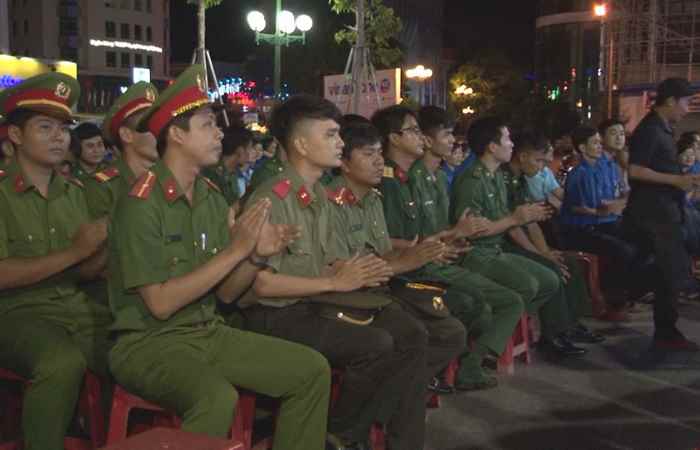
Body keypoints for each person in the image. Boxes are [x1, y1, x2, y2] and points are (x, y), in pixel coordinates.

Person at [108, 66, 331, 449]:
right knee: (215, 397)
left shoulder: (210, 197)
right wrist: (235, 251)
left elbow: (227, 295)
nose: (220, 134)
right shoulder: (141, 204)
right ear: (177, 134)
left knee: (311, 370)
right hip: (147, 343)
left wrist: (255, 257)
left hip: (206, 331)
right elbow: (160, 304)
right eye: (209, 125)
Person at [241, 95, 427, 450]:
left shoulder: (319, 197)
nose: (340, 143)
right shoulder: (274, 198)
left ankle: (393, 440)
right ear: (299, 144)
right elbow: (260, 284)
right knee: (378, 344)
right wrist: (335, 280)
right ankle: (340, 433)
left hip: (313, 301)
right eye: (330, 135)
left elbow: (325, 262)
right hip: (275, 314)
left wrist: (354, 270)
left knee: (410, 332)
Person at [372, 104, 526, 390]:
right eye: (414, 131)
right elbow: (391, 243)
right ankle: (444, 369)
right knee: (483, 303)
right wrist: (451, 236)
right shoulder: (393, 182)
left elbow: (422, 236)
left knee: (495, 302)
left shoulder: (418, 178)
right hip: (410, 272)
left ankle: (455, 365)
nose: (453, 141)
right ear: (394, 138)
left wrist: (450, 240)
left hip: (434, 259)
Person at [0, 73, 113, 450]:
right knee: (61, 363)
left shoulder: (73, 193)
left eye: (63, 128)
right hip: (15, 314)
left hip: (74, 306)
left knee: (135, 347)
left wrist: (111, 246)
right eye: (44, 127)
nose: (58, 137)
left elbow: (82, 272)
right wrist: (78, 251)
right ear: (15, 136)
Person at [327, 120, 467, 397]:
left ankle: (397, 391)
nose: (379, 162)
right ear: (344, 162)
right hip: (350, 295)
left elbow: (385, 251)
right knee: (411, 335)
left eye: (380, 153)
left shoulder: (373, 198)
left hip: (382, 285)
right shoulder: (331, 202)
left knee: (451, 330)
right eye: (368, 154)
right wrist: (406, 261)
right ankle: (389, 400)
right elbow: (343, 270)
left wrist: (419, 251)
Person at [450, 117, 585, 356]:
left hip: (495, 250)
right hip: (477, 254)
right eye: (507, 139)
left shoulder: (494, 177)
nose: (511, 145)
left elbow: (518, 220)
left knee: (549, 280)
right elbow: (475, 231)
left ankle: (503, 332)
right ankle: (486, 345)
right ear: (492, 146)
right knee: (529, 284)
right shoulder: (471, 180)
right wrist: (516, 219)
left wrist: (521, 222)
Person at [503, 132, 604, 344]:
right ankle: (554, 335)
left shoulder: (520, 179)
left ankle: (572, 324)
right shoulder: (503, 179)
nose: (542, 167)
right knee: (552, 269)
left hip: (521, 240)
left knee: (569, 262)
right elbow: (513, 227)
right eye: (538, 160)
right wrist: (541, 255)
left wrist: (546, 251)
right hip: (506, 244)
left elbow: (532, 223)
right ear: (522, 156)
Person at [623, 77, 700, 351]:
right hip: (652, 216)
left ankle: (665, 329)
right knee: (667, 272)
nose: (688, 109)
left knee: (670, 271)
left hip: (667, 213)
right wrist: (676, 181)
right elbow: (635, 171)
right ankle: (664, 331)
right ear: (669, 101)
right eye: (686, 102)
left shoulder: (664, 129)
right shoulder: (650, 130)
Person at [560, 126, 654, 311]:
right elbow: (597, 207)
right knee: (621, 250)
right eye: (595, 143)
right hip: (581, 229)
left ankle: (635, 290)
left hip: (605, 222)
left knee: (647, 239)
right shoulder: (579, 173)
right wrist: (610, 206)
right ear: (582, 147)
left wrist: (613, 205)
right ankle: (613, 300)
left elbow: (614, 202)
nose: (599, 147)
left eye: (600, 143)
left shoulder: (604, 167)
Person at [84, 81, 159, 220]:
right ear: (126, 135)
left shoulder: (164, 180)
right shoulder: (103, 187)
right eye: (150, 126)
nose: (159, 133)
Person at [202, 125, 255, 207]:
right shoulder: (211, 175)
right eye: (250, 148)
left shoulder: (234, 173)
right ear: (240, 151)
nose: (252, 152)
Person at [600, 119, 631, 196]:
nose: (619, 138)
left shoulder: (618, 161)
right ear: (601, 137)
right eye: (613, 133)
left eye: (622, 134)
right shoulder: (598, 162)